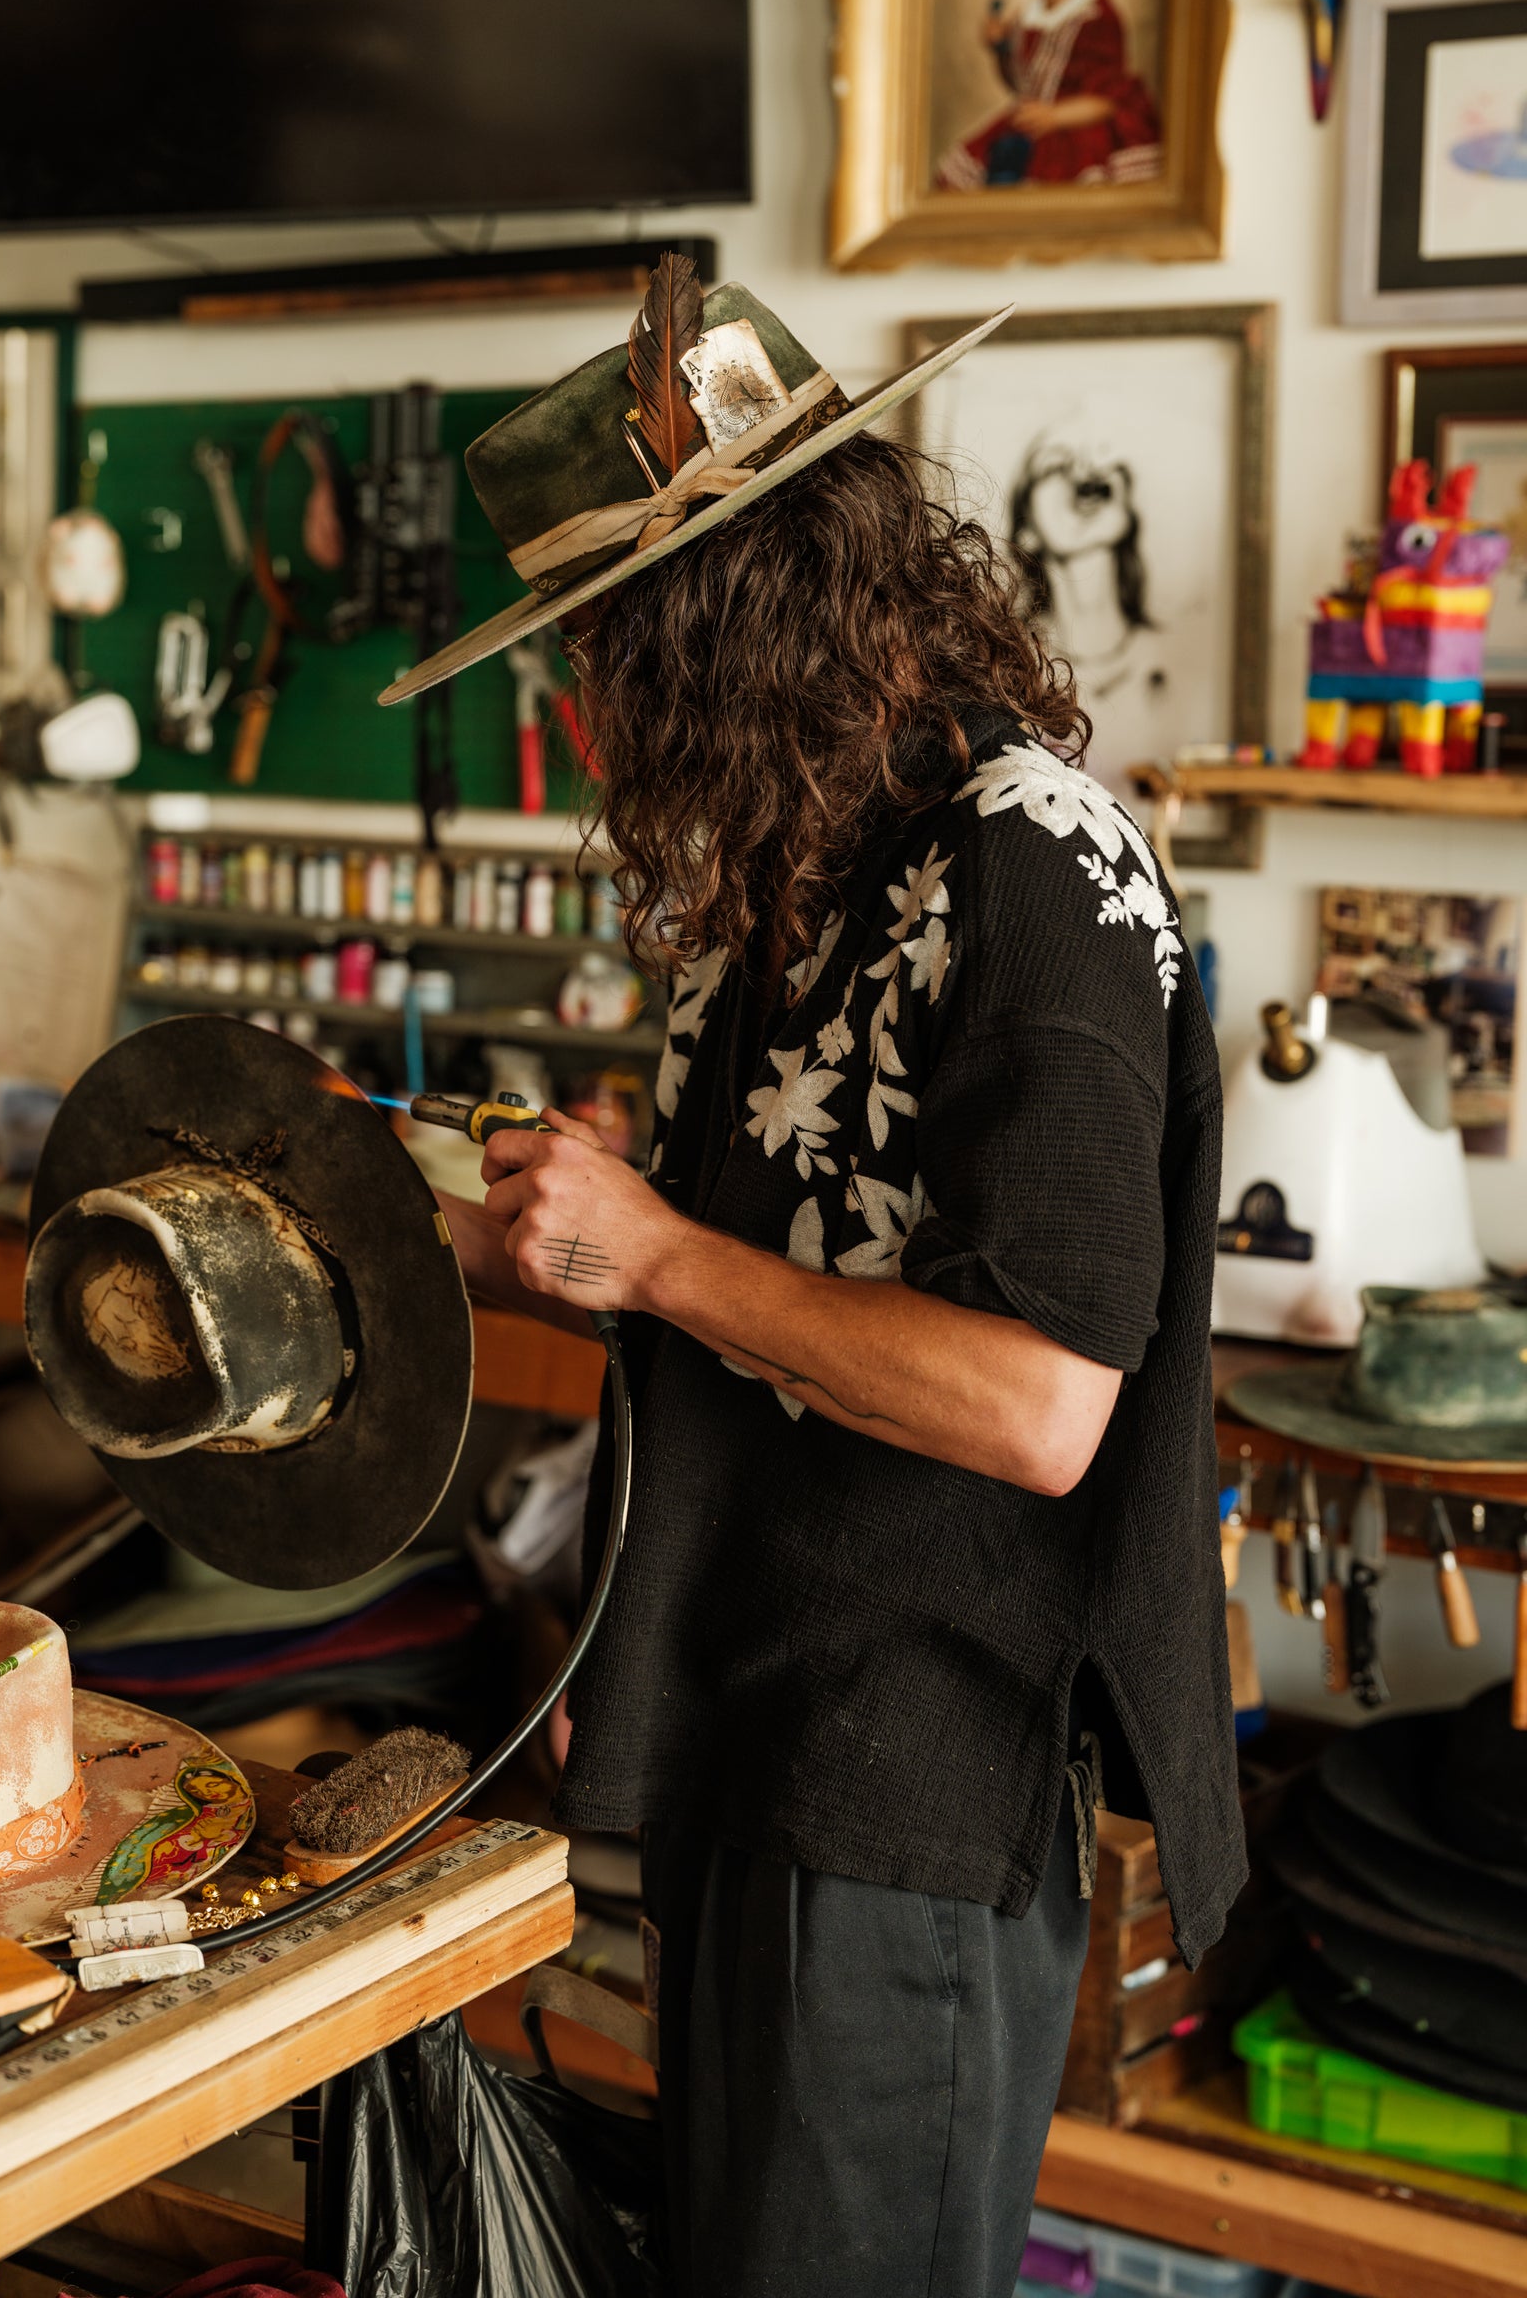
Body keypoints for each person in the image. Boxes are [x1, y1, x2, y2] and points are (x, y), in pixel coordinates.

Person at [385, 267, 1243, 2298]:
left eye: (609, 655)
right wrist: (564, 1238)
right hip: (758, 1722)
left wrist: (659, 1250)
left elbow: (1040, 1402)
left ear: (724, 621)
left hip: (909, 1777)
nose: (591, 713)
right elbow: (757, 1286)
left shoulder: (1027, 863)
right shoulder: (788, 873)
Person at [937, 0, 1161, 192]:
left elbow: (1110, 100)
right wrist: (1002, 49)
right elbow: (1024, 83)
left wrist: (1056, 115)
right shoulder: (1030, 17)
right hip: (1036, 124)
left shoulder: (1095, 16)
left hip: (1077, 130)